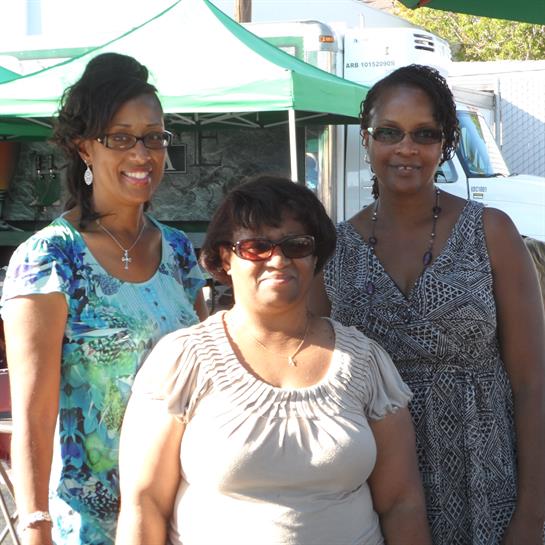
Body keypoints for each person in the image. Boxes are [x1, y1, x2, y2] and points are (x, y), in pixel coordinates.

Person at [115, 175, 432, 545]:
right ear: (224, 258)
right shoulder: (181, 360)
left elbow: (401, 503)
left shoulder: (365, 361)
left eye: (296, 245)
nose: (278, 259)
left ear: (316, 258)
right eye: (256, 246)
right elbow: (144, 503)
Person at [310, 64, 545, 545]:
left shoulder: (492, 233)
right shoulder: (334, 249)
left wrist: (530, 516)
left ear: (444, 145)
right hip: (375, 487)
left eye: (424, 134)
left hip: (487, 484)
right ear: (367, 138)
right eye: (389, 132)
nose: (406, 149)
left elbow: (534, 383)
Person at [1, 52, 207, 545]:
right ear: (84, 149)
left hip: (184, 512)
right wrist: (34, 528)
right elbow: (32, 415)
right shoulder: (50, 257)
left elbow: (206, 377)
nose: (142, 153)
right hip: (90, 524)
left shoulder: (178, 251)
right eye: (120, 138)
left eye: (154, 136)